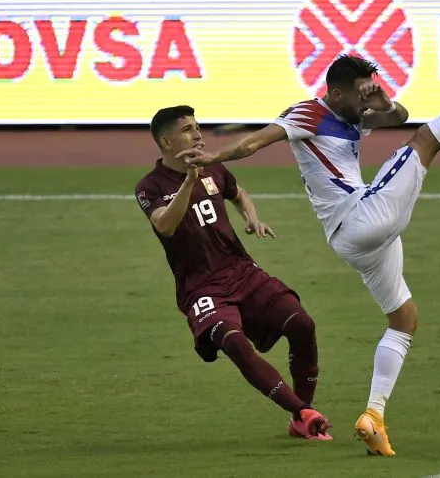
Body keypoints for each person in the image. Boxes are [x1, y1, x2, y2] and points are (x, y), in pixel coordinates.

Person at [180, 23, 440, 456]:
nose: (365, 101)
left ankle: (375, 416)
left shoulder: (353, 115)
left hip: (358, 234)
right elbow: (257, 140)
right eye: (359, 93)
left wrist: (380, 101)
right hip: (362, 217)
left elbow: (400, 116)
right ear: (336, 92)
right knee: (426, 141)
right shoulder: (308, 113)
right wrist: (215, 156)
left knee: (404, 318)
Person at [134, 105, 331, 441]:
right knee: (236, 345)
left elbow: (238, 194)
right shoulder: (148, 187)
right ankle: (302, 413)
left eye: (198, 127)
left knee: (303, 324)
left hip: (242, 272)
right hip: (201, 288)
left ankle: (302, 415)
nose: (198, 135)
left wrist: (251, 217)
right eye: (187, 130)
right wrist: (189, 181)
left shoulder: (215, 169)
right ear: (166, 142)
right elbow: (166, 225)